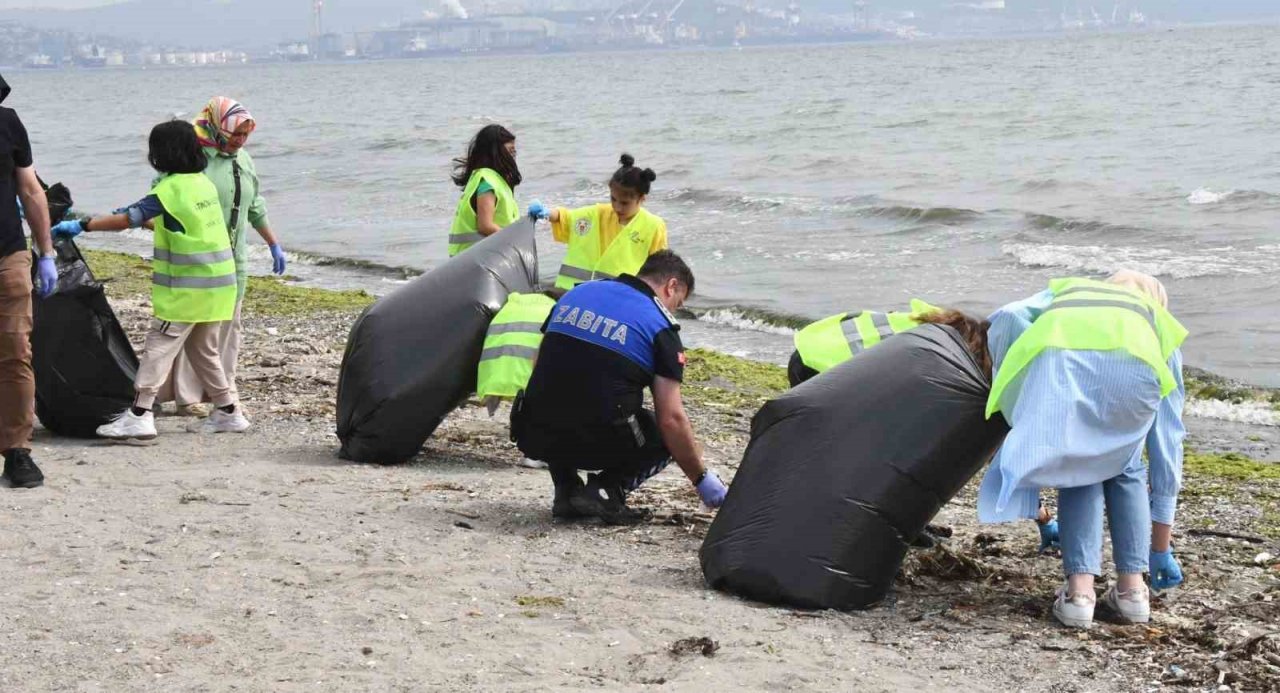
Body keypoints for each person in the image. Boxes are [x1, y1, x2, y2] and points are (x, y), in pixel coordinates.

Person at [978, 270, 1187, 629]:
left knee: (1079, 464)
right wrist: (1160, 548)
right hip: (1137, 379)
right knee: (1127, 464)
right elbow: (1166, 443)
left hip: (1066, 367)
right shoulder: (1155, 322)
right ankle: (1133, 592)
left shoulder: (1075, 295)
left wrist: (1010, 385)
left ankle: (1079, 595)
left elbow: (1010, 315)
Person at [51, 120, 249, 439]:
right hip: (221, 285)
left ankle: (140, 413)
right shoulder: (202, 184)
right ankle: (228, 411)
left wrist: (83, 225)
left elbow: (127, 220)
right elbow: (180, 227)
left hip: (189, 289)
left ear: (163, 153)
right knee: (203, 350)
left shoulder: (169, 189)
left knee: (159, 344)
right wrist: (141, 219)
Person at [511, 250, 728, 524]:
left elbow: (540, 365)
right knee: (665, 433)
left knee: (562, 391)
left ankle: (566, 489)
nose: (674, 310)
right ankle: (606, 490)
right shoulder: (660, 326)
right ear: (671, 285)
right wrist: (701, 478)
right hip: (594, 442)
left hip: (533, 432)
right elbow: (672, 419)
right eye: (678, 302)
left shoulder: (578, 293)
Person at [159, 97, 285, 416]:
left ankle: (223, 394)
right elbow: (163, 194)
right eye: (235, 135)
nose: (240, 142)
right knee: (197, 327)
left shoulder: (244, 161)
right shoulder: (195, 158)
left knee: (229, 328)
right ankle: (188, 398)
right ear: (218, 129)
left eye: (246, 136)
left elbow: (254, 206)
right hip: (198, 260)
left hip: (234, 260)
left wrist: (273, 243)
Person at [0, 73, 54, 488]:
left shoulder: (8, 122)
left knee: (16, 352)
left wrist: (47, 252)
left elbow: (31, 191)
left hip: (7, 254)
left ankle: (18, 451)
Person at [527, 154, 668, 290]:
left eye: (625, 203)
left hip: (618, 298)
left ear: (642, 199)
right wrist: (545, 212)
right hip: (574, 291)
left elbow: (659, 269)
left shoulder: (653, 226)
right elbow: (567, 218)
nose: (617, 207)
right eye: (613, 199)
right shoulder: (598, 214)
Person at [448, 124, 521, 257]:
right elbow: (485, 226)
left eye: (514, 151)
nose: (514, 156)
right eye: (510, 150)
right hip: (474, 261)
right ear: (496, 152)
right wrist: (514, 242)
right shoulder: (487, 182)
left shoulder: (487, 178)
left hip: (470, 258)